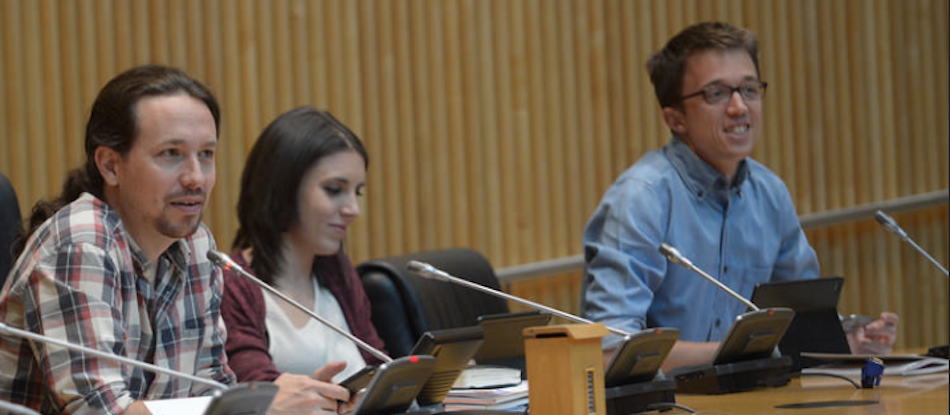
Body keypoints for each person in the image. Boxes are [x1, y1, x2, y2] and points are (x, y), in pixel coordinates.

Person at [579, 22, 898, 371]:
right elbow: (608, 352)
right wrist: (737, 357)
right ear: (675, 119)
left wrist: (843, 341)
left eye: (749, 89)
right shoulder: (641, 200)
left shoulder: (769, 193)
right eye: (716, 94)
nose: (739, 107)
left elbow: (804, 325)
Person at [0, 65, 235, 414]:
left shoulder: (199, 248)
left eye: (206, 155)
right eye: (171, 154)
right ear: (110, 165)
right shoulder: (81, 245)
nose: (195, 178)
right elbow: (99, 411)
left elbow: (212, 388)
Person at [220, 107, 386, 414]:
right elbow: (257, 394)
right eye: (335, 190)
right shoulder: (233, 285)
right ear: (282, 189)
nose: (353, 209)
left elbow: (379, 364)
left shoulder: (338, 272)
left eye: (357, 193)